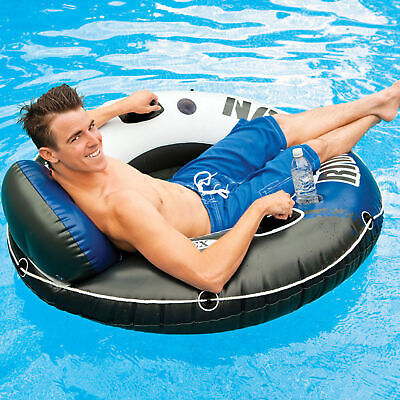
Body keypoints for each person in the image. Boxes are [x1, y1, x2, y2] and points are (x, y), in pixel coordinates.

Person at [18, 82, 400, 293]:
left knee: (271, 128)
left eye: (90, 126)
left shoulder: (62, 157)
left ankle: (377, 100)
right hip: (221, 213)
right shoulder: (121, 207)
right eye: (77, 138)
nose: (93, 140)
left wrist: (120, 106)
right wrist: (259, 208)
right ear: (50, 154)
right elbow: (209, 276)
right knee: (307, 153)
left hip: (191, 182)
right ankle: (378, 115)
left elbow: (77, 126)